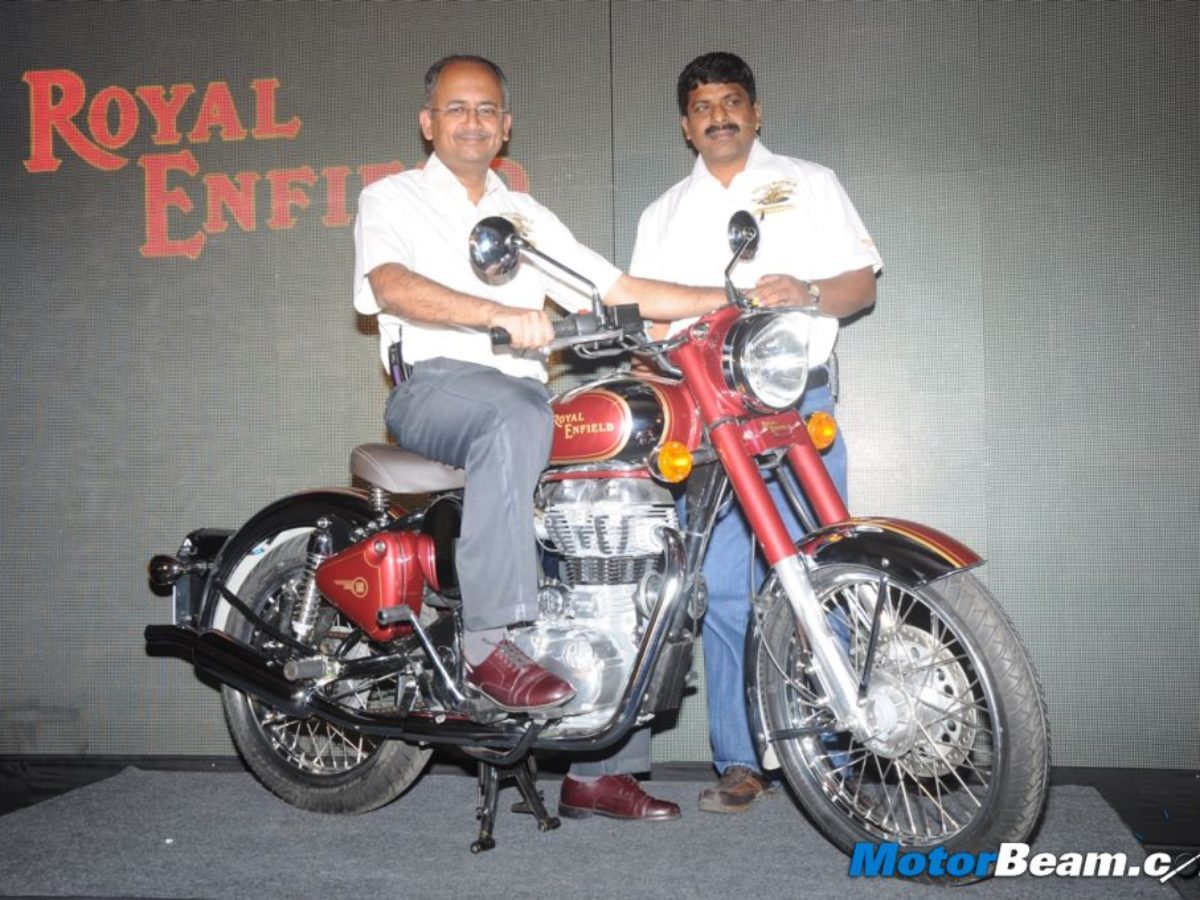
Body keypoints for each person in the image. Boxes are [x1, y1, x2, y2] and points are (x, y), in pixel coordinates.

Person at [353, 55, 732, 821]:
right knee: (517, 413)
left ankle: (600, 769)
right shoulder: (390, 197)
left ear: (506, 125)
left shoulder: (525, 216)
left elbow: (618, 289)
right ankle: (488, 644)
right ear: (428, 122)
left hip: (523, 395)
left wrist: (730, 298)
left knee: (623, 483)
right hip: (435, 387)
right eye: (456, 108)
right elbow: (390, 285)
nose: (472, 121)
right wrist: (495, 314)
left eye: (486, 110)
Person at [630, 52, 882, 814]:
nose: (719, 116)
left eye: (732, 101)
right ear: (686, 125)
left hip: (795, 402)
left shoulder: (811, 182)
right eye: (703, 107)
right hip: (705, 416)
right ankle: (740, 760)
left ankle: (839, 753)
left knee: (824, 574)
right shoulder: (662, 213)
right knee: (724, 590)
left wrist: (807, 290)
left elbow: (860, 283)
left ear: (757, 111)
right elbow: (646, 324)